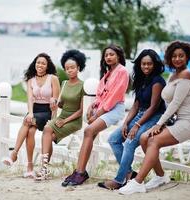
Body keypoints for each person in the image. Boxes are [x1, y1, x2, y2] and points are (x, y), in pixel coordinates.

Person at [119, 41, 190, 195]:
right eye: (174, 56)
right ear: (169, 58)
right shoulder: (174, 75)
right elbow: (167, 102)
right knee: (145, 138)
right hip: (178, 120)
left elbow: (175, 104)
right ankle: (161, 176)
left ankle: (138, 182)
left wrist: (158, 124)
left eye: (181, 56)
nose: (177, 59)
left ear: (187, 57)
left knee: (154, 140)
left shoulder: (186, 74)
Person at [97, 49, 166, 190]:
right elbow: (136, 105)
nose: (146, 67)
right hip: (140, 114)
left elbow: (153, 107)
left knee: (129, 143)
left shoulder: (158, 81)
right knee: (114, 139)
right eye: (143, 64)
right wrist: (126, 123)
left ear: (155, 65)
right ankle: (129, 173)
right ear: (139, 65)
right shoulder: (140, 79)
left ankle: (119, 180)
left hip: (155, 116)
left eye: (149, 64)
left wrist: (137, 125)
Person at [62, 44, 129, 186]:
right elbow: (101, 94)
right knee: (89, 133)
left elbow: (114, 96)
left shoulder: (122, 71)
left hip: (115, 109)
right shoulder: (107, 73)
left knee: (88, 130)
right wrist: (93, 105)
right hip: (104, 108)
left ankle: (81, 172)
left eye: (111, 54)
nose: (108, 57)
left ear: (118, 56)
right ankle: (78, 171)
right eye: (106, 55)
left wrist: (97, 114)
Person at [2, 53, 60, 178]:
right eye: (38, 62)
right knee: (30, 132)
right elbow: (29, 99)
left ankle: (14, 154)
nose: (40, 65)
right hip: (34, 110)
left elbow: (56, 99)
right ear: (35, 64)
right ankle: (30, 168)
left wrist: (54, 110)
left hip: (48, 111)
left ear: (47, 65)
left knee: (26, 122)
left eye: (43, 63)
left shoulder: (53, 78)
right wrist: (30, 112)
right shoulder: (31, 79)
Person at [34, 49, 87, 181]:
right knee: (48, 132)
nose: (69, 70)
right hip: (62, 116)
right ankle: (44, 168)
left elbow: (81, 110)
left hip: (74, 120)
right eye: (67, 68)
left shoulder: (83, 85)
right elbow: (62, 104)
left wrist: (64, 121)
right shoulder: (64, 84)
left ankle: (44, 168)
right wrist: (56, 103)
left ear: (78, 68)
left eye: (72, 68)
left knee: (47, 132)